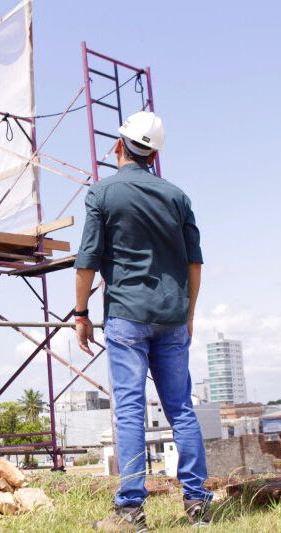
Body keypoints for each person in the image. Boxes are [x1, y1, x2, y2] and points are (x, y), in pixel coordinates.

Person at [74, 111, 212, 531]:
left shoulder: (103, 194)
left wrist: (80, 314)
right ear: (154, 154)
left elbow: (86, 263)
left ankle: (131, 511)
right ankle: (197, 505)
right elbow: (194, 264)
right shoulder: (177, 196)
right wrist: (187, 316)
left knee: (131, 410)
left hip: (127, 316)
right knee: (181, 410)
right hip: (172, 316)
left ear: (119, 146)